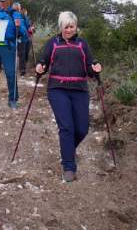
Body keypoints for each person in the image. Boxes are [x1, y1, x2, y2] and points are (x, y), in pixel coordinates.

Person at [35, 11, 102, 182]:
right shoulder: (53, 43)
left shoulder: (82, 44)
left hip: (80, 90)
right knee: (66, 127)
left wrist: (94, 68)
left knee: (82, 129)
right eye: (66, 27)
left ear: (76, 27)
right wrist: (40, 67)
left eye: (72, 26)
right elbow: (44, 61)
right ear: (61, 27)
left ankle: (67, 151)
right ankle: (69, 167)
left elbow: (89, 65)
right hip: (58, 89)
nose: (69, 30)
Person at [12, 2, 33, 76]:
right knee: (22, 54)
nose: (19, 8)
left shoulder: (22, 15)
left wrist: (31, 28)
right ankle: (22, 70)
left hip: (26, 37)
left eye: (19, 6)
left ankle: (24, 66)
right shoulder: (12, 15)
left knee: (26, 53)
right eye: (18, 7)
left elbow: (28, 25)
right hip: (19, 37)